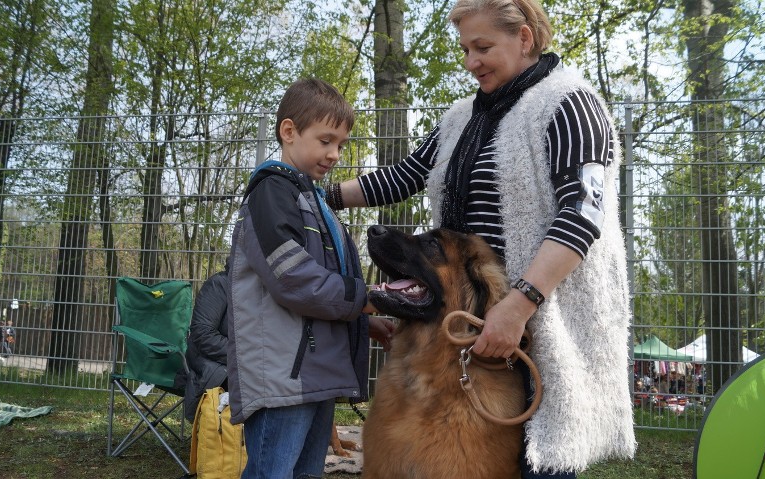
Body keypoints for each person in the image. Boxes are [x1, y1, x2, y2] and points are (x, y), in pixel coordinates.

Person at [324, 0, 635, 475]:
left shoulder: (570, 103)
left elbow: (584, 213)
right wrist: (318, 196)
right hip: (475, 322)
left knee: (543, 461)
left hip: (541, 326)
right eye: (466, 49)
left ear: (524, 38)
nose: (471, 62)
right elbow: (407, 174)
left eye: (483, 47)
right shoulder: (461, 116)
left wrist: (518, 304)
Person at [226, 78, 395, 479]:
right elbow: (294, 279)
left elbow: (324, 287)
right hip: (283, 377)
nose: (335, 154)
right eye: (326, 141)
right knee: (272, 472)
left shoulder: (313, 200)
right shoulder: (272, 193)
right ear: (289, 132)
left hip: (314, 373)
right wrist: (368, 297)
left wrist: (362, 320)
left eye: (340, 145)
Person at [174, 267, 230, 422]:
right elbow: (203, 335)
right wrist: (246, 356)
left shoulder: (269, 288)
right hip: (214, 363)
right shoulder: (220, 284)